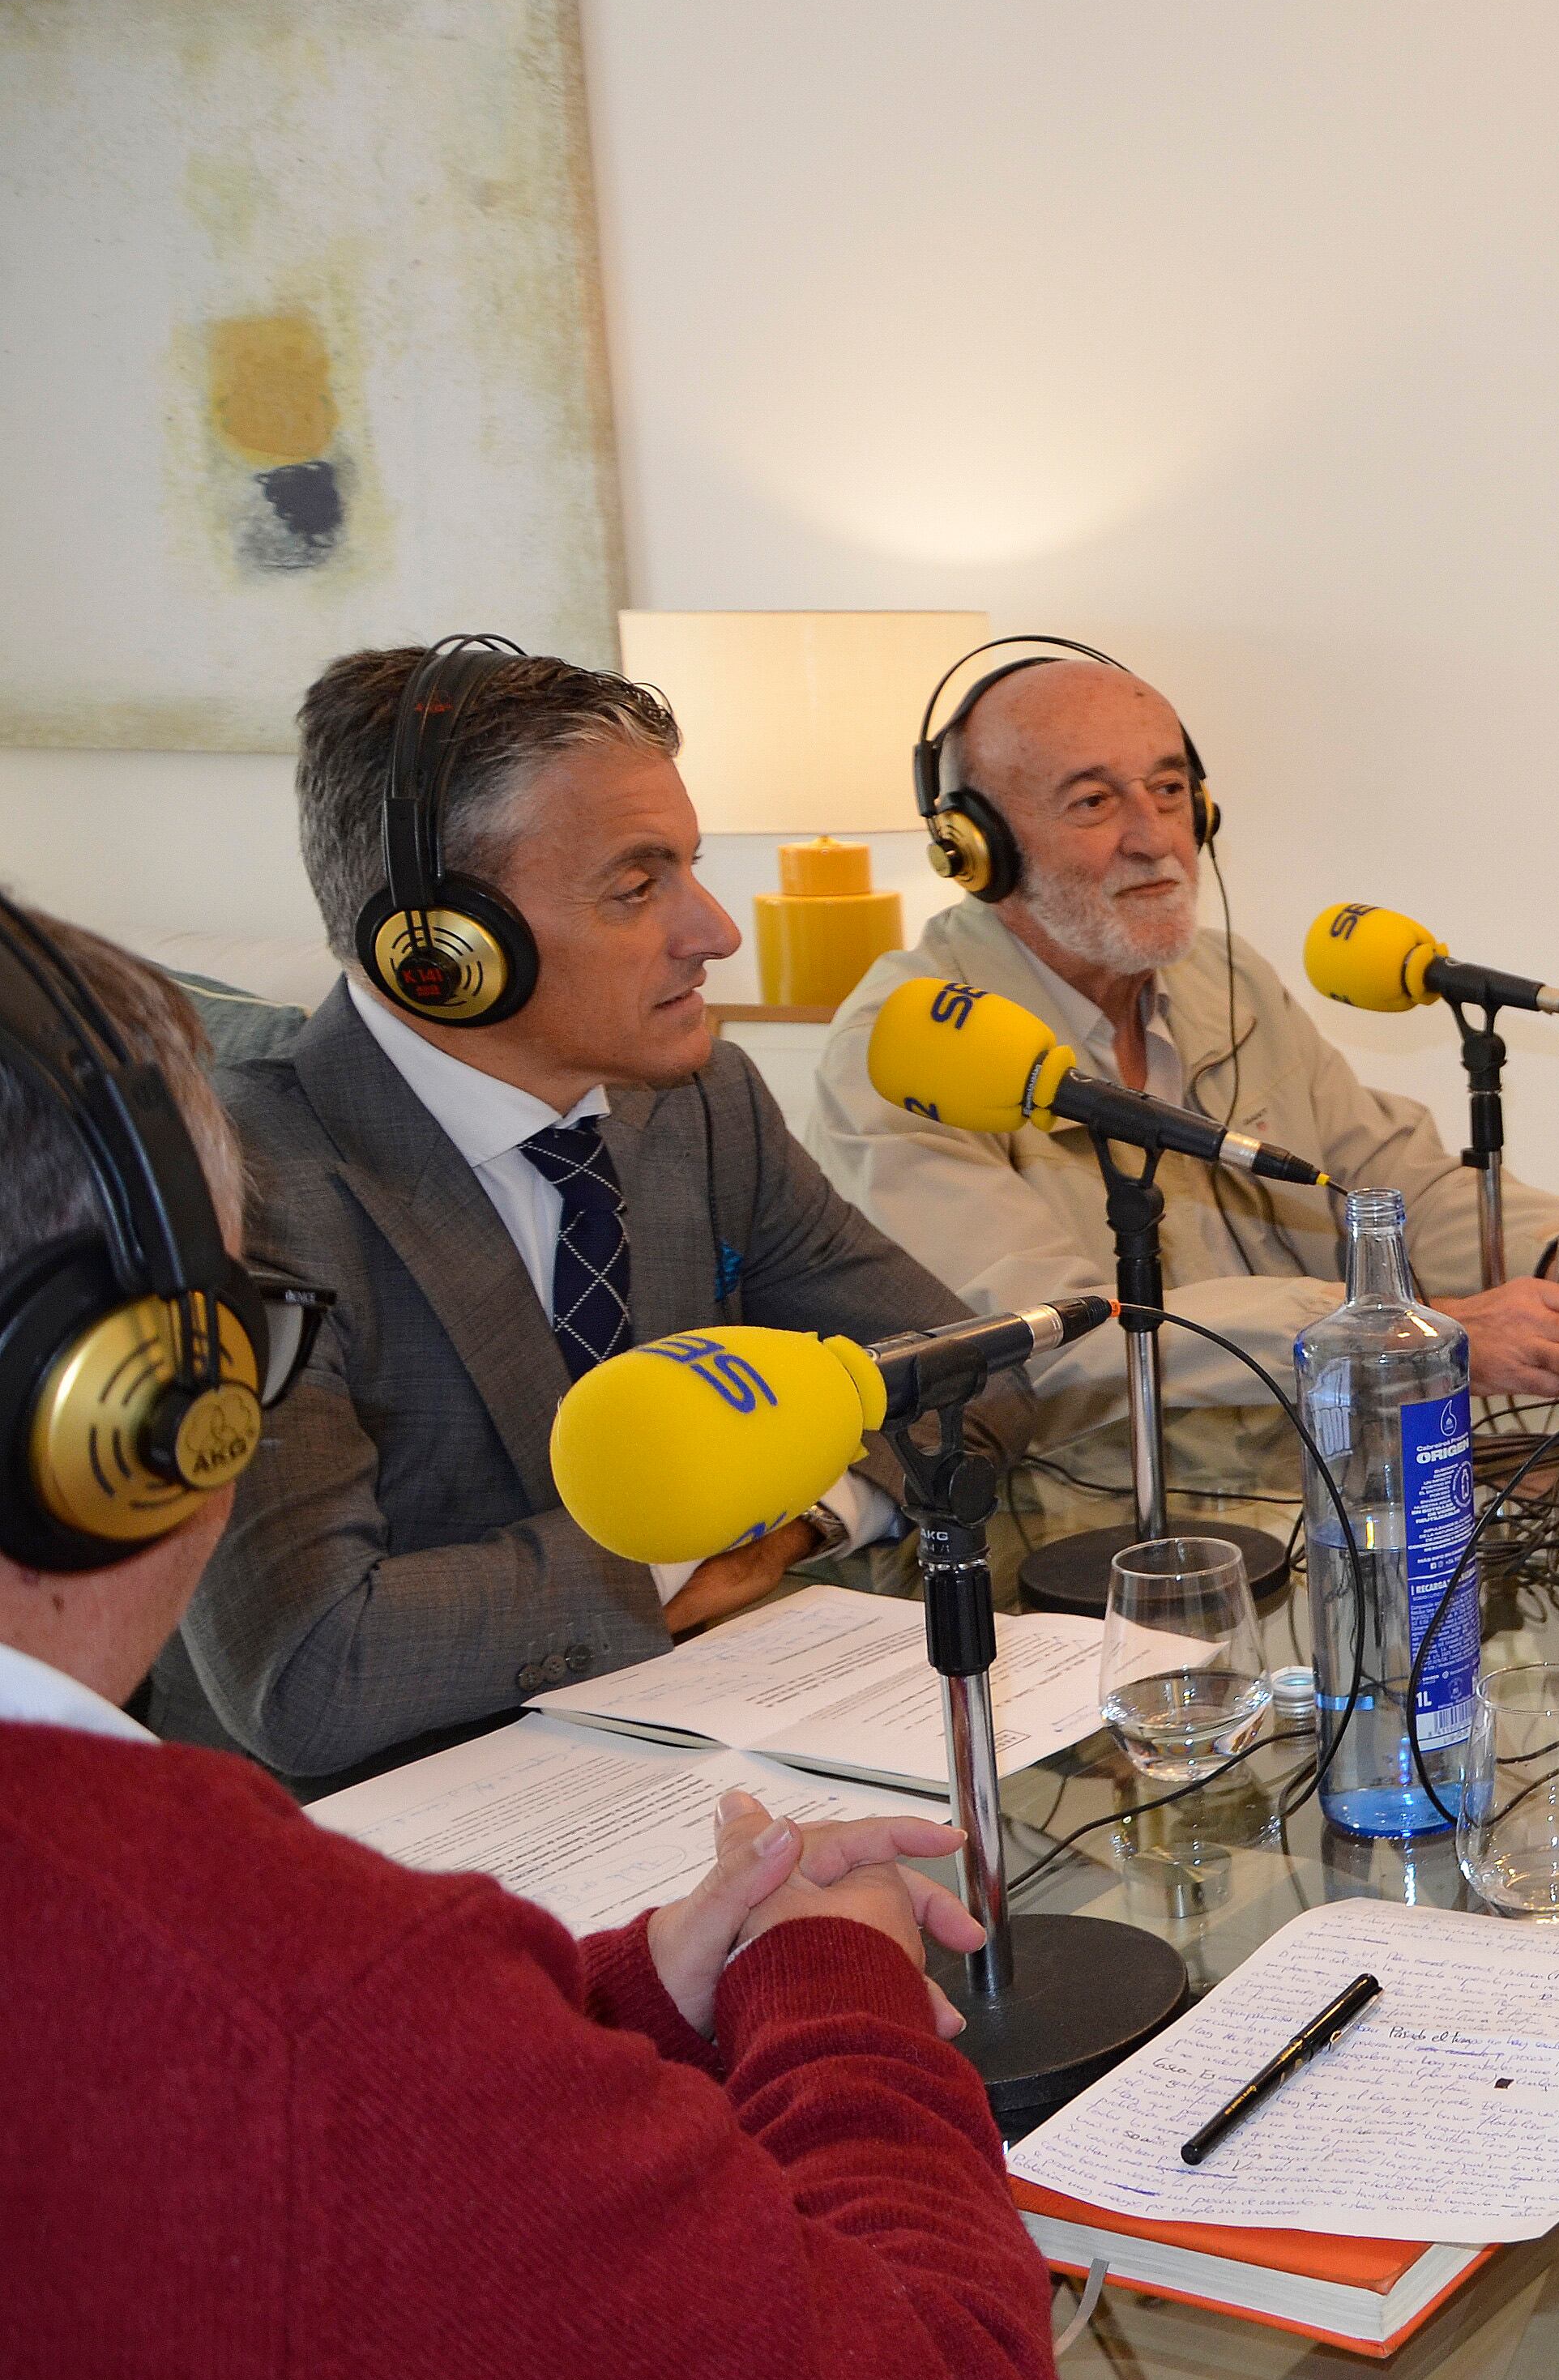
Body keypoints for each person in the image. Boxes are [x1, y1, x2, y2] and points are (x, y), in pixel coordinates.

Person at [0, 898, 1054, 2380]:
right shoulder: (295, 2003)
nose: (709, 924)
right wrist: (836, 1994)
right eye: (236, 1318)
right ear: (117, 1401)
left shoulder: (700, 1105)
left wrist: (632, 1987)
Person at [155, 642, 1036, 1791]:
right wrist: (666, 1554)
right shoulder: (233, 1188)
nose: (714, 931)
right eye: (636, 887)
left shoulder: (702, 1104)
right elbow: (313, 1671)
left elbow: (971, 1375)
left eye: (690, 869)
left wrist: (798, 1521)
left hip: (693, 1748)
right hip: (382, 1819)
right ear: (444, 950)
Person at [812, 649, 1559, 1504]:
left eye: (1169, 791)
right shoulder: (908, 1048)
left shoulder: (1225, 978)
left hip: (1324, 1481)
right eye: (1092, 802)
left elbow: (1389, 1185)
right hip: (1089, 1521)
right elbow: (1043, 1330)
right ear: (977, 846)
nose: (1153, 838)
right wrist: (1401, 1334)